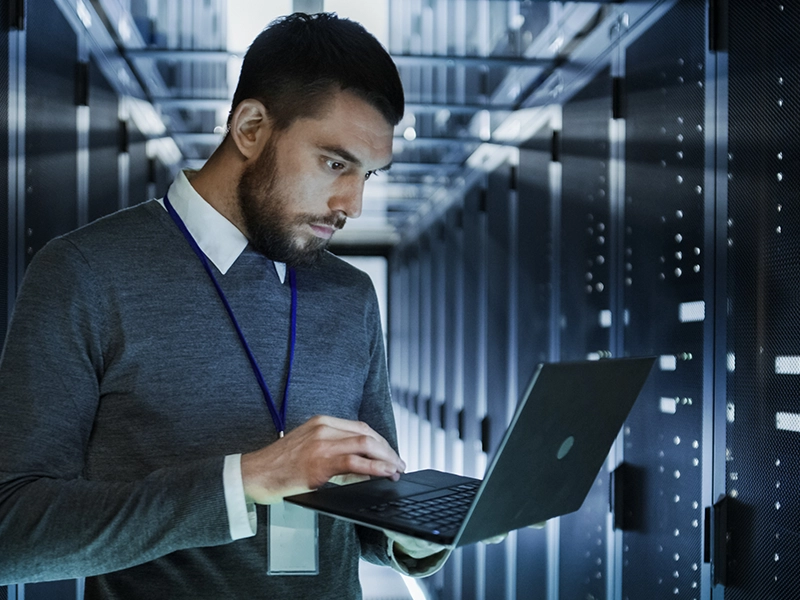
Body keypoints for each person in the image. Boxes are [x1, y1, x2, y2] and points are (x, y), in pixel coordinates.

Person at [0, 12, 446, 598]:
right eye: (335, 163)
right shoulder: (85, 273)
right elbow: (12, 533)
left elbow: (365, 516)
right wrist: (246, 480)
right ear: (252, 127)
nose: (352, 203)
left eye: (368, 175)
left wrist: (419, 534)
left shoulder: (350, 295)